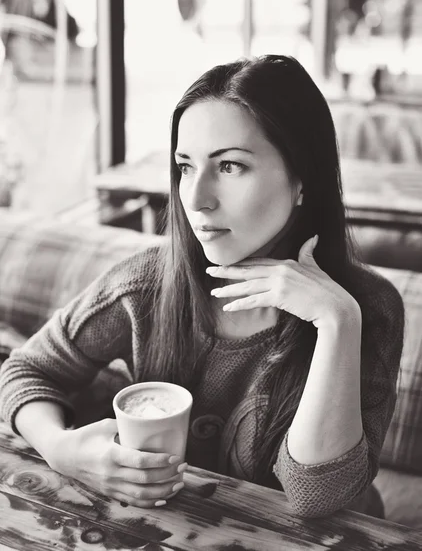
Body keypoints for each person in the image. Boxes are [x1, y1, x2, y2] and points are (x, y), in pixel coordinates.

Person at [0, 55, 404, 518]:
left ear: (302, 179)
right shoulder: (148, 283)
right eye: (186, 167)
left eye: (230, 167)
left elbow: (319, 497)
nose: (195, 200)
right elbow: (25, 370)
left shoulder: (369, 309)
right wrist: (61, 448)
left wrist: (337, 323)